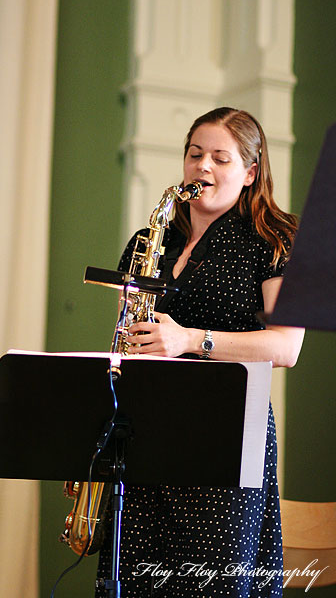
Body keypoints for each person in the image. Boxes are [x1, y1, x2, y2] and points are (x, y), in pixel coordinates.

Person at [95, 107, 305, 597]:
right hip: (146, 432)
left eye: (220, 158)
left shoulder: (275, 239)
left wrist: (192, 339)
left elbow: (286, 346)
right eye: (194, 155)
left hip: (225, 437)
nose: (202, 168)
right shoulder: (151, 240)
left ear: (251, 173)